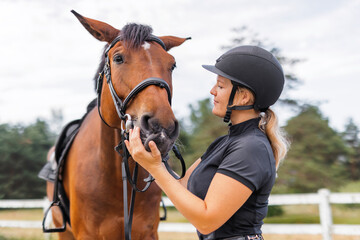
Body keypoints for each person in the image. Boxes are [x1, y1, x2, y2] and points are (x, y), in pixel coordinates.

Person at [125, 45, 289, 240]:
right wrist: (153, 152)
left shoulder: (250, 148)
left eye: (220, 86)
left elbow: (207, 221)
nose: (212, 91)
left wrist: (155, 168)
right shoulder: (225, 142)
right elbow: (182, 187)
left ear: (244, 97)